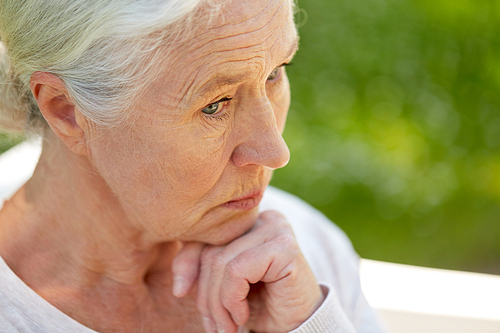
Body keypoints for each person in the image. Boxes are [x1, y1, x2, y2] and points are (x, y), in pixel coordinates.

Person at [0, 0, 384, 332]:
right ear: (66, 111)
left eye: (274, 73)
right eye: (214, 105)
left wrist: (311, 324)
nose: (275, 151)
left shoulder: (305, 255)